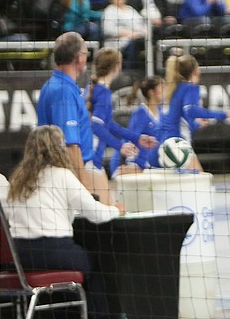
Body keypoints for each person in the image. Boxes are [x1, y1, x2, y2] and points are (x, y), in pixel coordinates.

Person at [5, 126, 124, 319]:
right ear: (59, 148)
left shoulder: (18, 179)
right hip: (55, 251)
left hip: (21, 256)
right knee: (97, 264)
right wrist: (116, 209)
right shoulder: (62, 175)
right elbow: (96, 214)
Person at [36, 32, 109, 204]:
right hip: (70, 175)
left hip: (65, 173)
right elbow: (70, 146)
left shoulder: (57, 86)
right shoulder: (63, 91)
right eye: (85, 53)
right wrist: (86, 189)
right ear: (79, 58)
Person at [159, 54, 230, 169]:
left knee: (192, 182)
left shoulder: (173, 89)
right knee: (200, 183)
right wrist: (224, 114)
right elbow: (190, 110)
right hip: (178, 144)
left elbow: (175, 120)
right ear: (195, 70)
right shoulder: (190, 87)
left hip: (166, 142)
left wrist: (196, 124)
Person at [88, 48, 157, 177]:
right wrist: (120, 146)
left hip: (89, 156)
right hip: (91, 155)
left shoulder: (94, 88)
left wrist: (137, 138)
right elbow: (96, 126)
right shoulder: (102, 92)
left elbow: (109, 124)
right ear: (117, 67)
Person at [111, 76, 164, 176]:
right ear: (151, 92)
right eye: (162, 87)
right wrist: (131, 164)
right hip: (139, 164)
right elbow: (131, 138)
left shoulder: (162, 112)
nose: (165, 91)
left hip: (155, 164)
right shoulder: (140, 113)